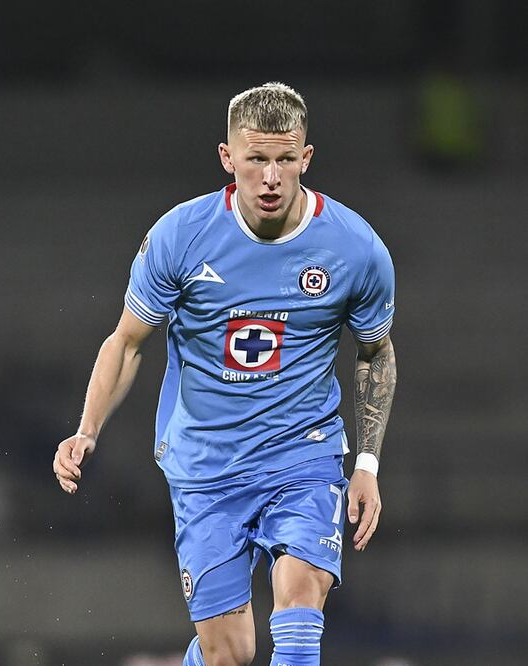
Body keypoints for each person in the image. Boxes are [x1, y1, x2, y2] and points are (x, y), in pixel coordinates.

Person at [52, 82, 396, 666]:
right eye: (256, 159)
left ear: (305, 159)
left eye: (285, 159)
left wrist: (365, 463)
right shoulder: (181, 237)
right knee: (228, 656)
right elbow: (128, 342)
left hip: (303, 455)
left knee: (300, 600)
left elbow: (375, 354)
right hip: (206, 467)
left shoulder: (354, 248)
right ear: (227, 157)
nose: (270, 177)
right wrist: (87, 429)